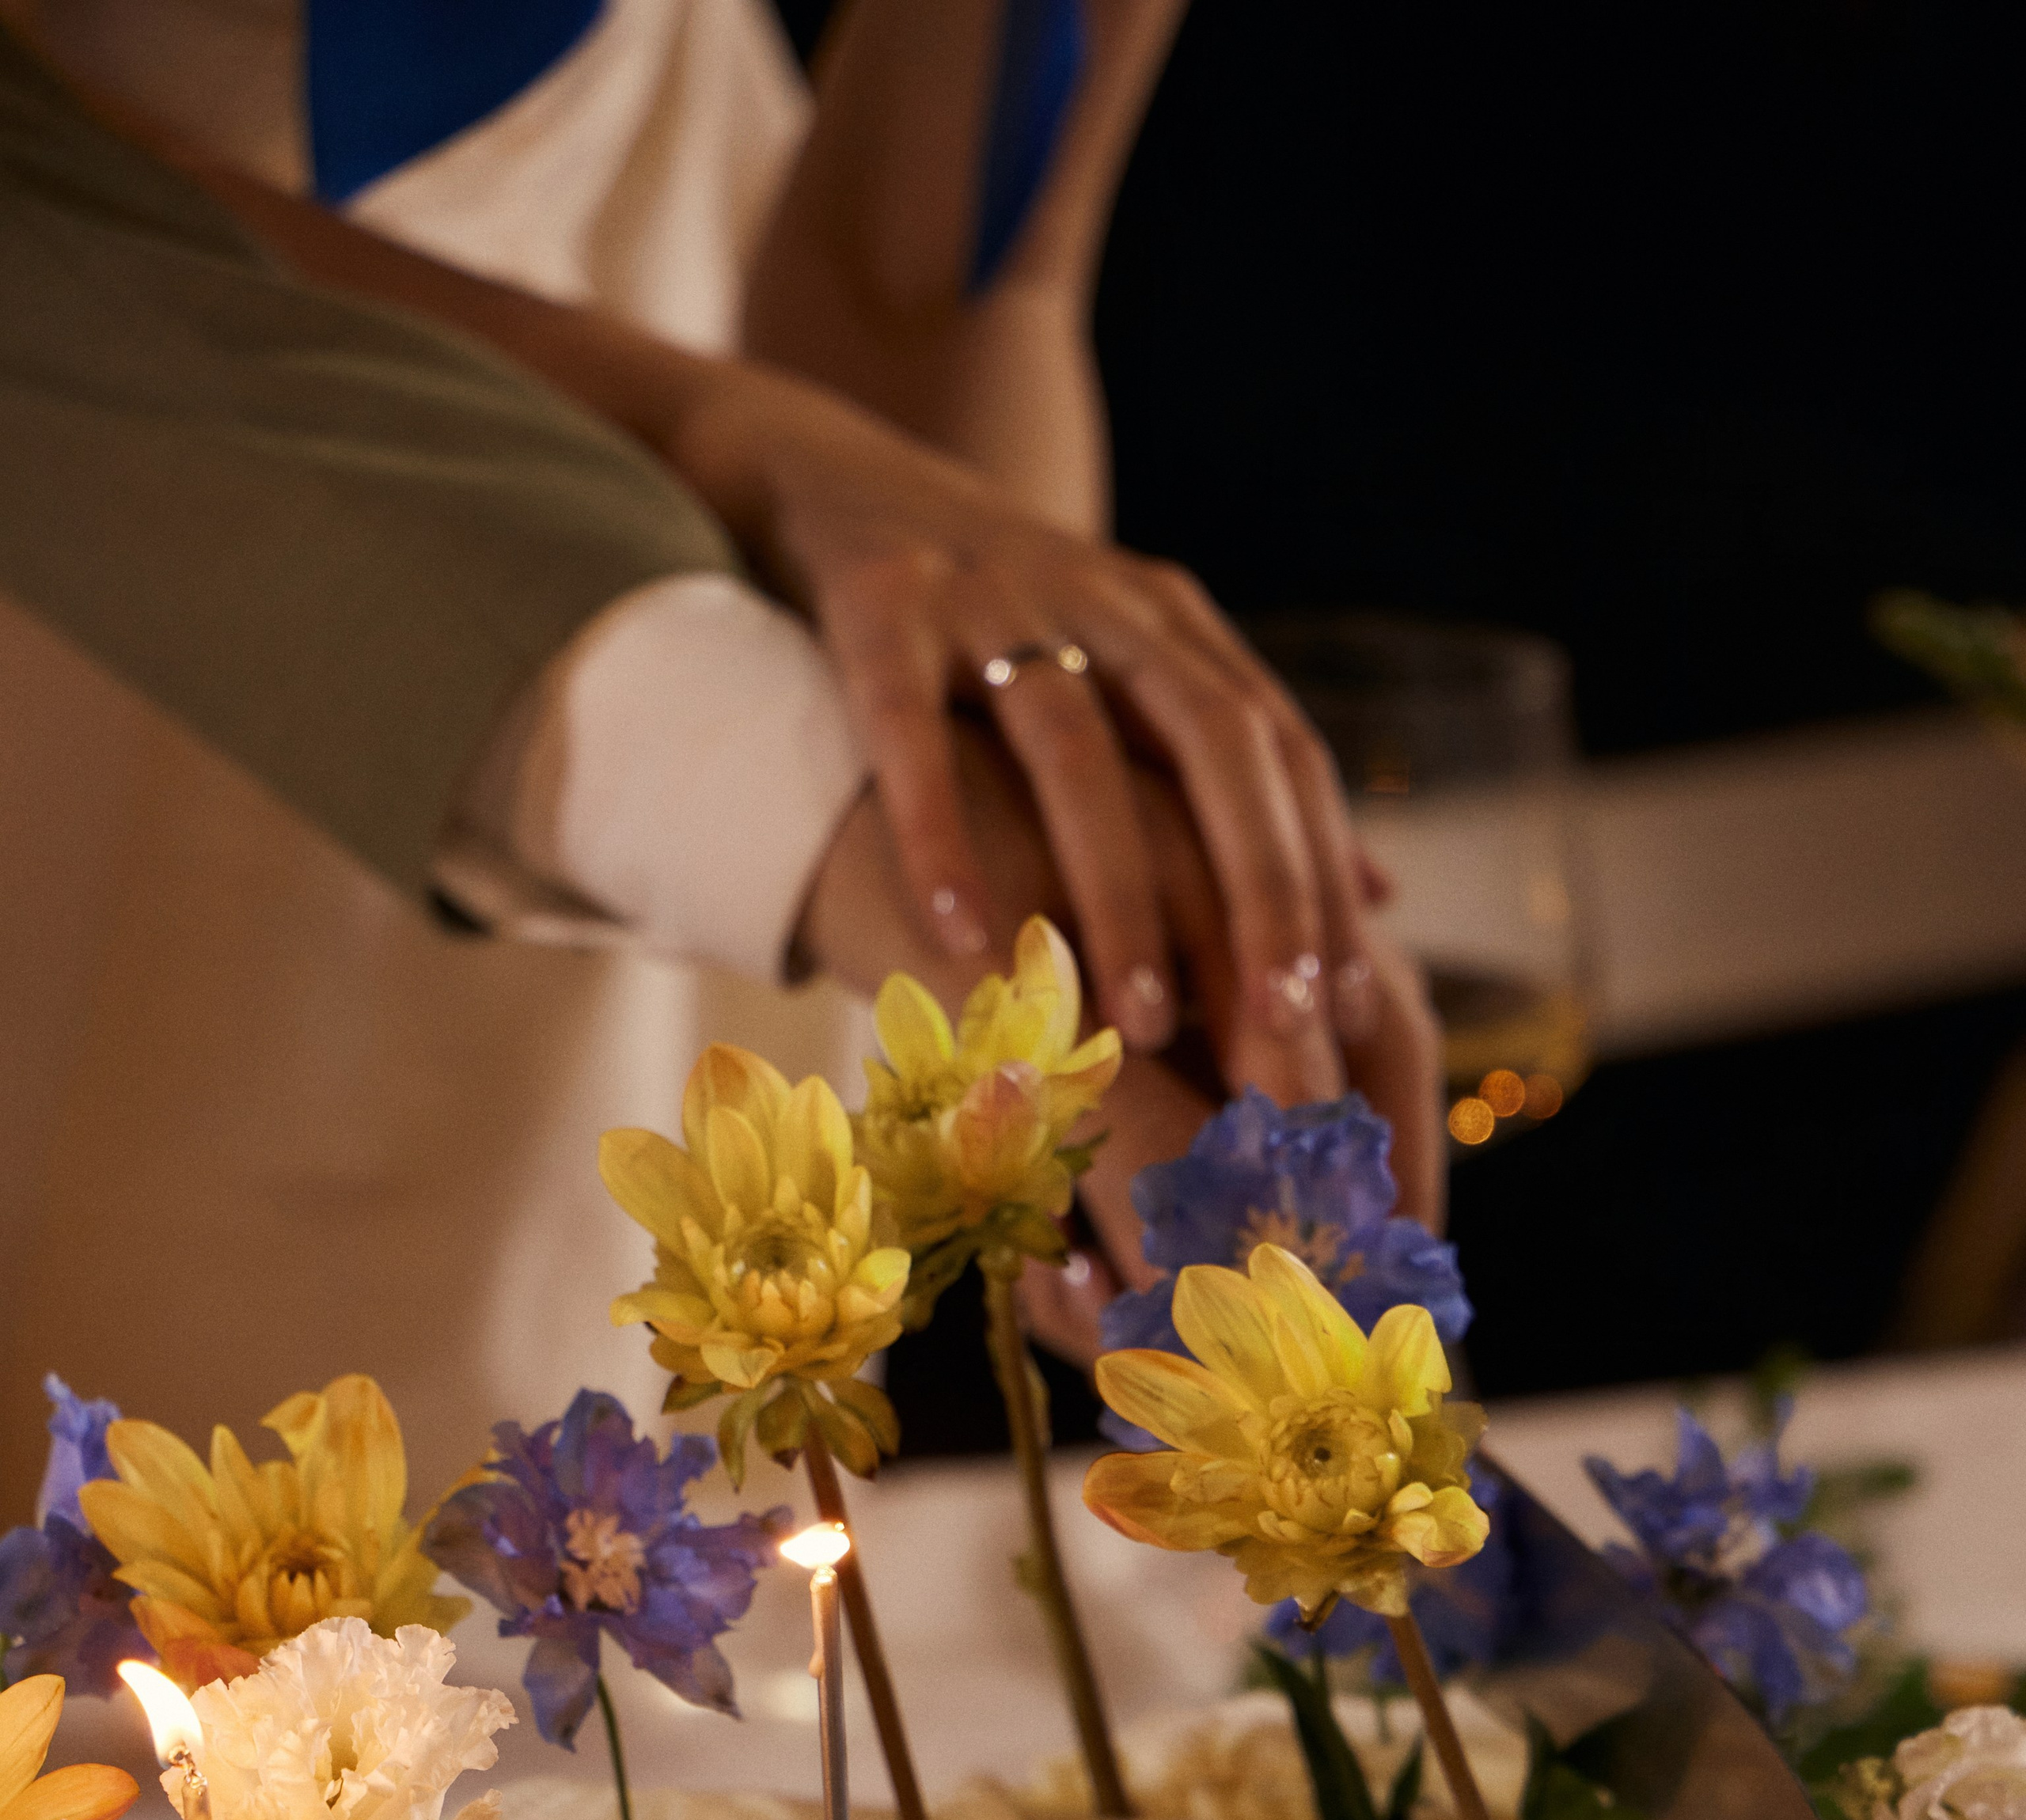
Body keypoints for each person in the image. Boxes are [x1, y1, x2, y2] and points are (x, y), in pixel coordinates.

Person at [0, 9, 1440, 1509]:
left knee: (627, 1568)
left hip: (685, 349)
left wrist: (1075, 844)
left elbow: (929, 279)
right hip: (120, 505)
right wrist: (733, 448)